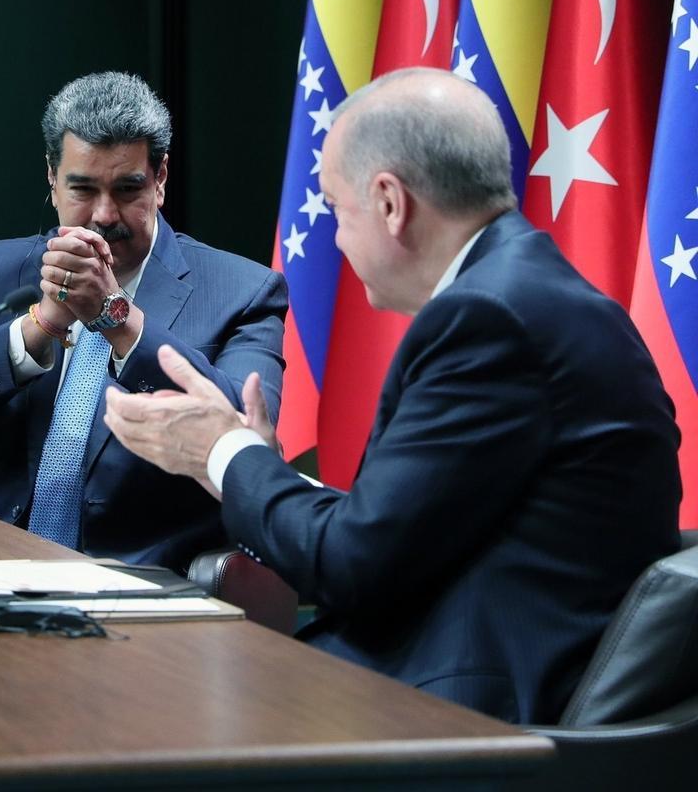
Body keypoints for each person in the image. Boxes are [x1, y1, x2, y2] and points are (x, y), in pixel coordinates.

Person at [104, 67, 681, 723]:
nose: (336, 239)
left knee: (131, 703)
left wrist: (222, 451)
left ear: (389, 202)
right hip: (471, 681)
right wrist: (251, 464)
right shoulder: (529, 295)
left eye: (334, 209)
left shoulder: (489, 321)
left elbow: (353, 566)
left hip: (463, 716)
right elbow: (411, 526)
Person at [0, 71, 287, 574]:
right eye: (82, 188)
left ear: (161, 178)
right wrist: (40, 323)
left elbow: (243, 438)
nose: (104, 215)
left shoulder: (243, 291)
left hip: (142, 590)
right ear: (51, 178)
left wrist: (116, 317)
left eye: (128, 189)